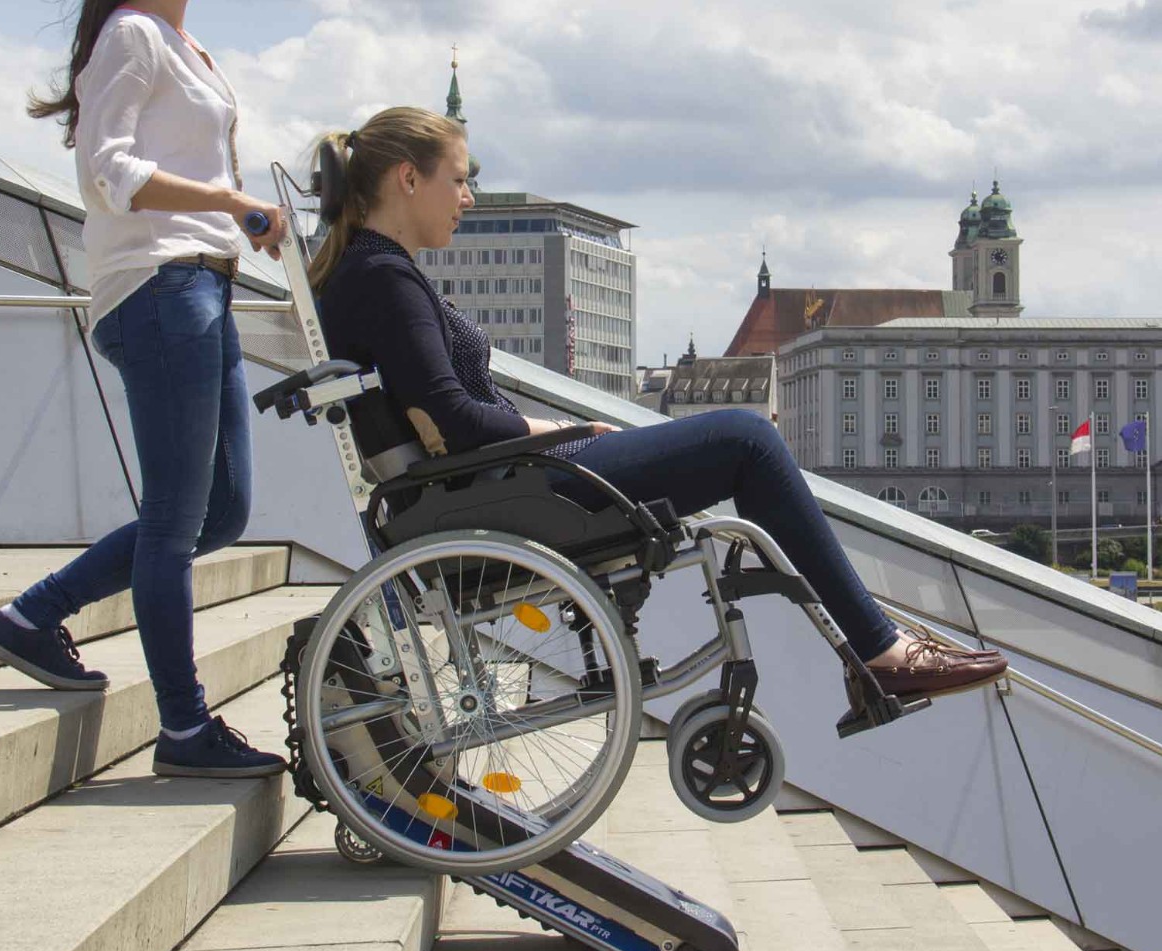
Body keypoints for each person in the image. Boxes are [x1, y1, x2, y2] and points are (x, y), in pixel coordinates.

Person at [311, 106, 1007, 700]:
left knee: (738, 442)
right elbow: (456, 421)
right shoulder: (386, 280)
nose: (466, 199)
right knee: (746, 439)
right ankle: (879, 651)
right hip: (509, 489)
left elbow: (445, 416)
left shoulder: (374, 273)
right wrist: (556, 428)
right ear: (409, 179)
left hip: (494, 487)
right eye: (458, 181)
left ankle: (876, 643)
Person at [0, 0, 289, 777]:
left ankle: (32, 615)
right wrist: (231, 204)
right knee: (177, 521)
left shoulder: (186, 44)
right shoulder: (131, 34)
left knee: (223, 510)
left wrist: (244, 223)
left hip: (206, 283)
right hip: (158, 286)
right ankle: (183, 729)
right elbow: (108, 171)